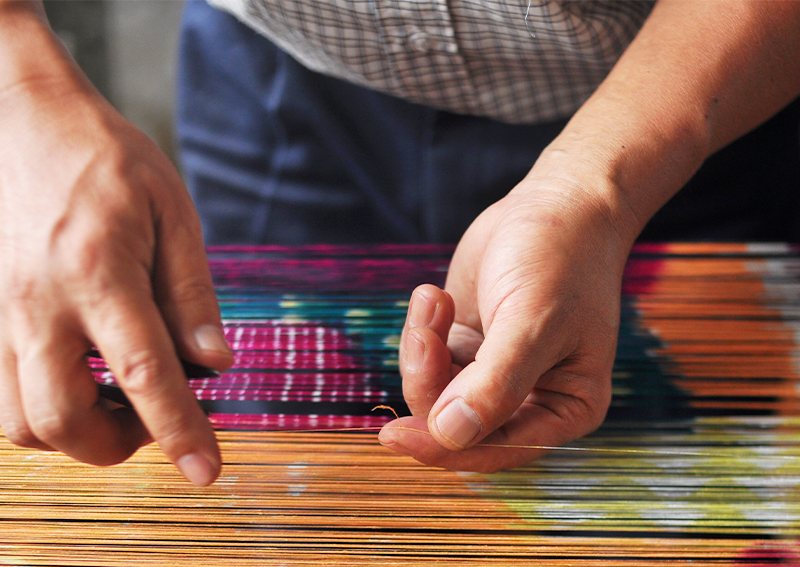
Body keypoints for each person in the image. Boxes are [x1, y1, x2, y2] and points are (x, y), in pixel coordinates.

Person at [1, 0, 799, 486]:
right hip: (283, 89)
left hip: (694, 98)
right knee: (286, 560)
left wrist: (599, 187)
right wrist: (20, 90)